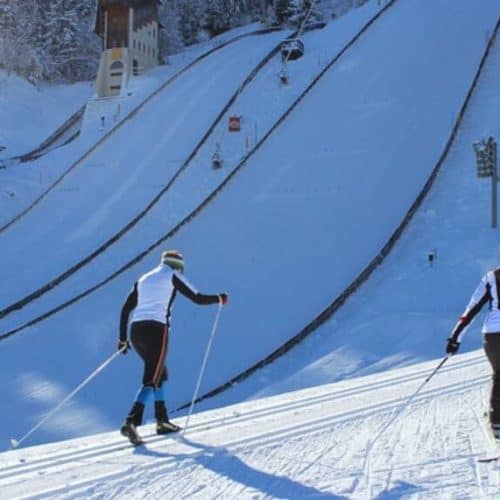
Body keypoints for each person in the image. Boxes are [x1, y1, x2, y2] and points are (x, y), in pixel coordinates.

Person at [118, 249, 228, 445]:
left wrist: (122, 339)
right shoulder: (172, 275)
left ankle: (162, 420)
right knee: (152, 377)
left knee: (161, 373)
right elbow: (197, 297)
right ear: (177, 266)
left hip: (136, 331)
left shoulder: (143, 279)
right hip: (157, 330)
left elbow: (126, 309)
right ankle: (131, 421)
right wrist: (218, 298)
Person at [446, 267, 500, 439]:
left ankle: (497, 424)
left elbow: (472, 309)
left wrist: (455, 338)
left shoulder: (492, 276)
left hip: (493, 336)